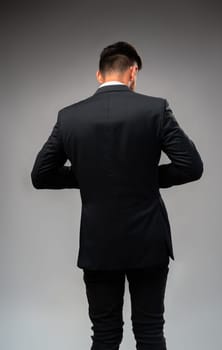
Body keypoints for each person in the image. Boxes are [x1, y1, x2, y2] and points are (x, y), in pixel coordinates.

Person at [31, 41, 204, 350]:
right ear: (133, 71)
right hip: (148, 241)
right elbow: (191, 167)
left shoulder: (69, 117)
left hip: (99, 245)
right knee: (150, 332)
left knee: (105, 334)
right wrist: (145, 178)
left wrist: (91, 179)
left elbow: (40, 176)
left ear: (99, 75)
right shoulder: (155, 109)